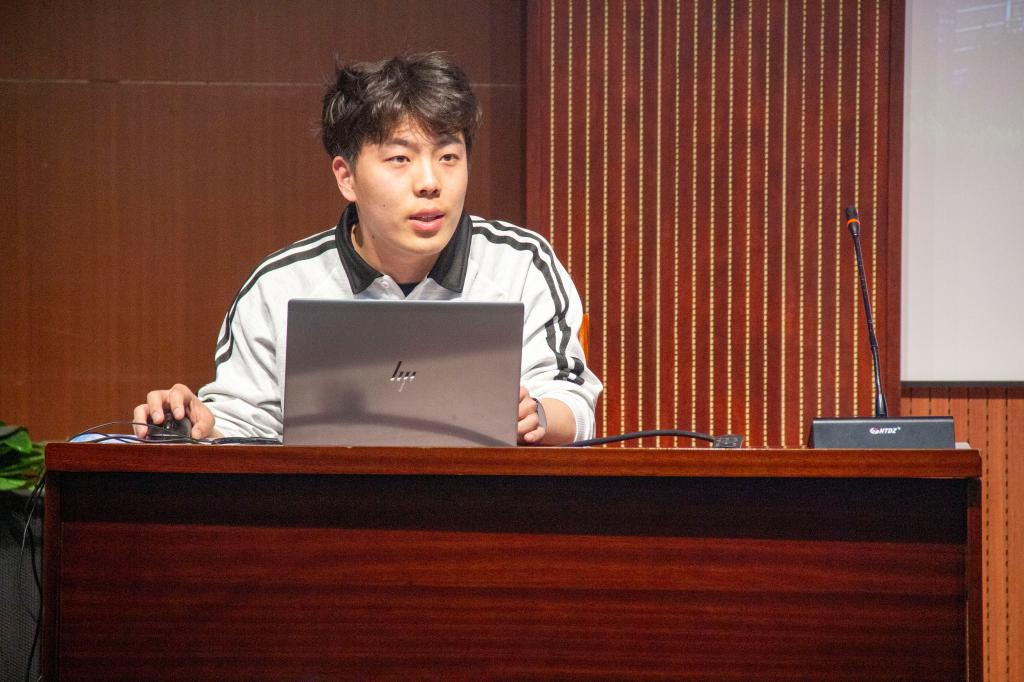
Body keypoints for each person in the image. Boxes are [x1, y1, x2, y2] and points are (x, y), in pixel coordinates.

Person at [133, 52, 601, 445]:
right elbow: (244, 425)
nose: (429, 182)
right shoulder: (280, 285)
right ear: (347, 177)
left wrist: (539, 415)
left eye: (448, 157)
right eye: (400, 158)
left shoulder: (522, 264)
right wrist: (200, 423)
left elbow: (576, 404)